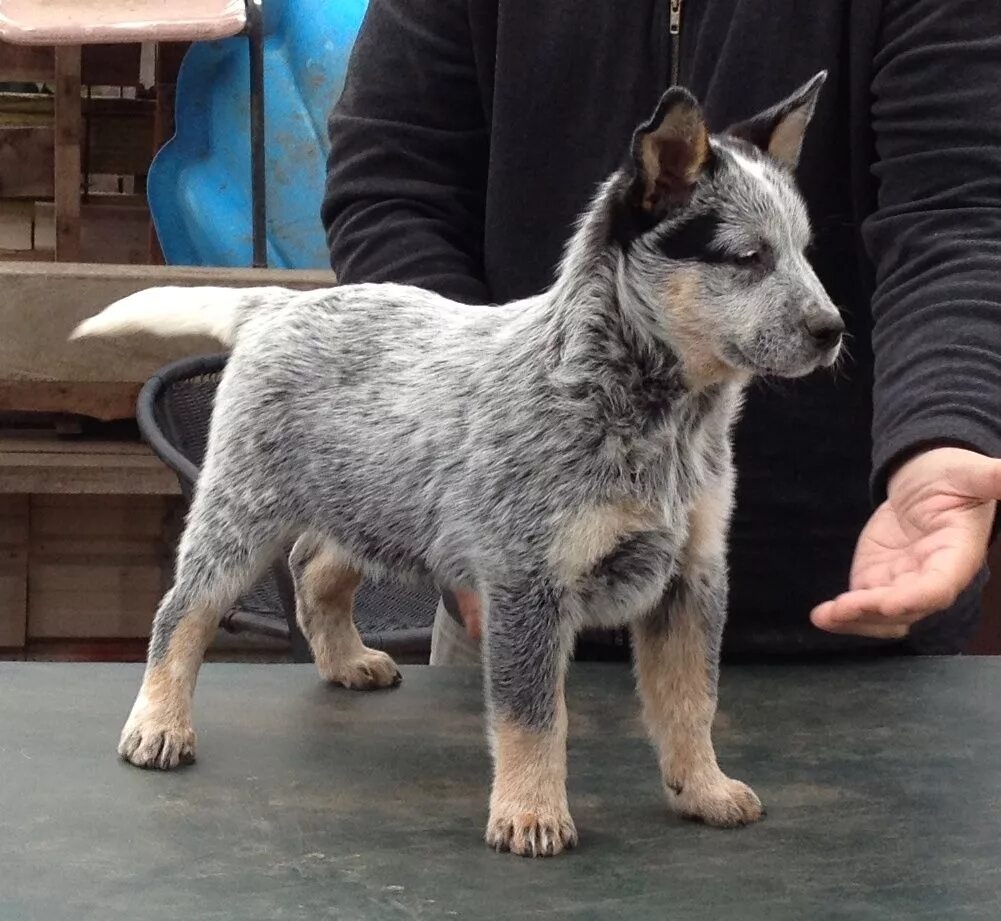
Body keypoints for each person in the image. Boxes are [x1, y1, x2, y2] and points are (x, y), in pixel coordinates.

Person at [321, 0, 1001, 664]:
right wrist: (471, 468)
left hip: (865, 610)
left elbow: (962, 214)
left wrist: (941, 436)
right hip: (519, 608)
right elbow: (392, 185)